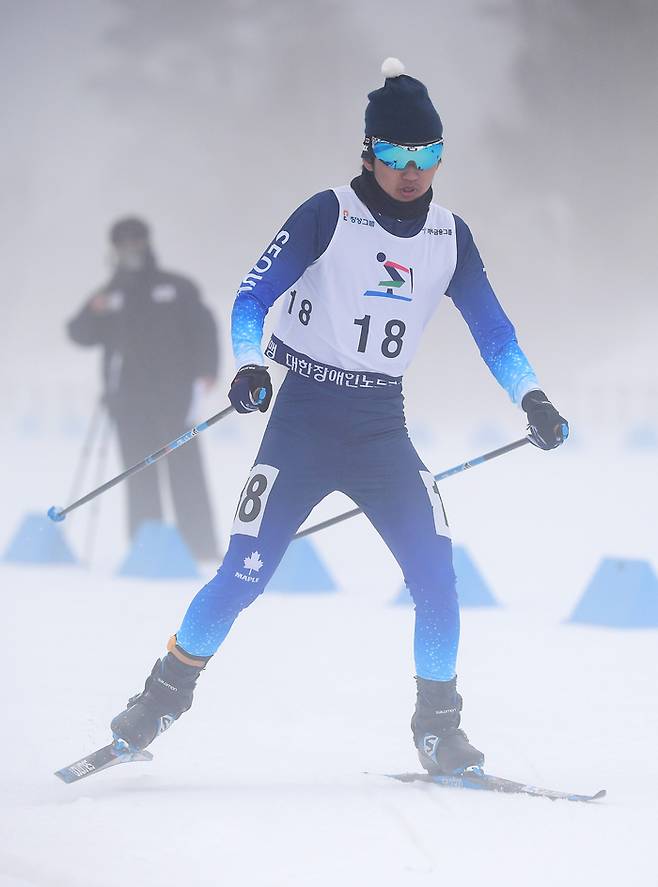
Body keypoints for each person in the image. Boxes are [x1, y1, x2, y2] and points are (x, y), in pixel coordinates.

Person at [109, 60, 568, 775]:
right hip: (303, 422)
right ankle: (161, 696)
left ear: (440, 156)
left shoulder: (450, 236)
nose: (409, 172)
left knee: (437, 579)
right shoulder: (327, 212)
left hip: (382, 427)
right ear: (369, 151)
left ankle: (438, 728)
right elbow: (250, 299)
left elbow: (495, 331)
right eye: (393, 156)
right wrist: (250, 363)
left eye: (424, 157)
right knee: (243, 574)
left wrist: (531, 395)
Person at [67, 216, 221, 562]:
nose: (129, 251)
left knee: (186, 475)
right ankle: (146, 551)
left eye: (135, 243)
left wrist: (207, 372)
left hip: (176, 401)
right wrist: (95, 311)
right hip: (128, 404)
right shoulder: (110, 295)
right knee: (139, 477)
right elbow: (79, 334)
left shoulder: (177, 287)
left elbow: (204, 330)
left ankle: (201, 550)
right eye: (122, 245)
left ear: (147, 244)